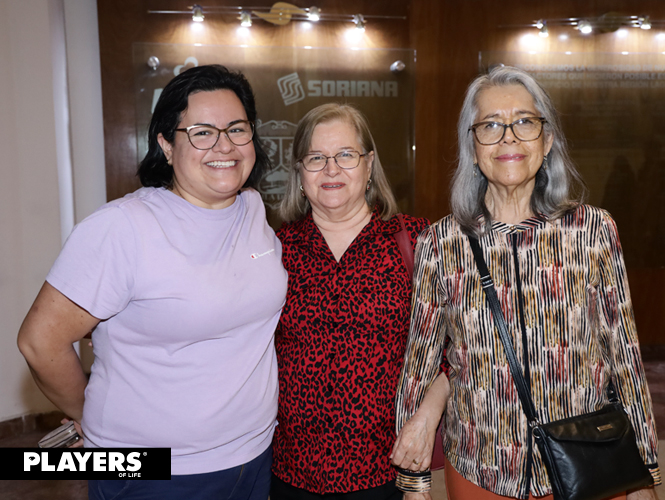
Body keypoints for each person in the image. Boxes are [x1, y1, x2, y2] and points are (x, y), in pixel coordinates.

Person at [17, 64, 287, 500]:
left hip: (253, 456)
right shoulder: (122, 228)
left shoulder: (252, 209)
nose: (224, 145)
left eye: (237, 129)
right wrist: (87, 414)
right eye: (201, 132)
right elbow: (39, 341)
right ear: (166, 144)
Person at [393, 66, 661, 500]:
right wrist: (414, 484)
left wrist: (645, 472)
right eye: (490, 126)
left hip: (586, 463)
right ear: (473, 147)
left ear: (547, 139)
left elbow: (625, 358)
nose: (508, 138)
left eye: (524, 121)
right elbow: (418, 367)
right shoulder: (441, 243)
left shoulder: (593, 231)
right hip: (482, 469)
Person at [270, 103, 446, 500]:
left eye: (346, 155)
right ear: (299, 172)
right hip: (291, 473)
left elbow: (459, 346)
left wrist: (426, 419)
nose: (331, 169)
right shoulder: (274, 250)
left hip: (389, 471)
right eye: (316, 158)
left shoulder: (418, 242)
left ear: (369, 166)